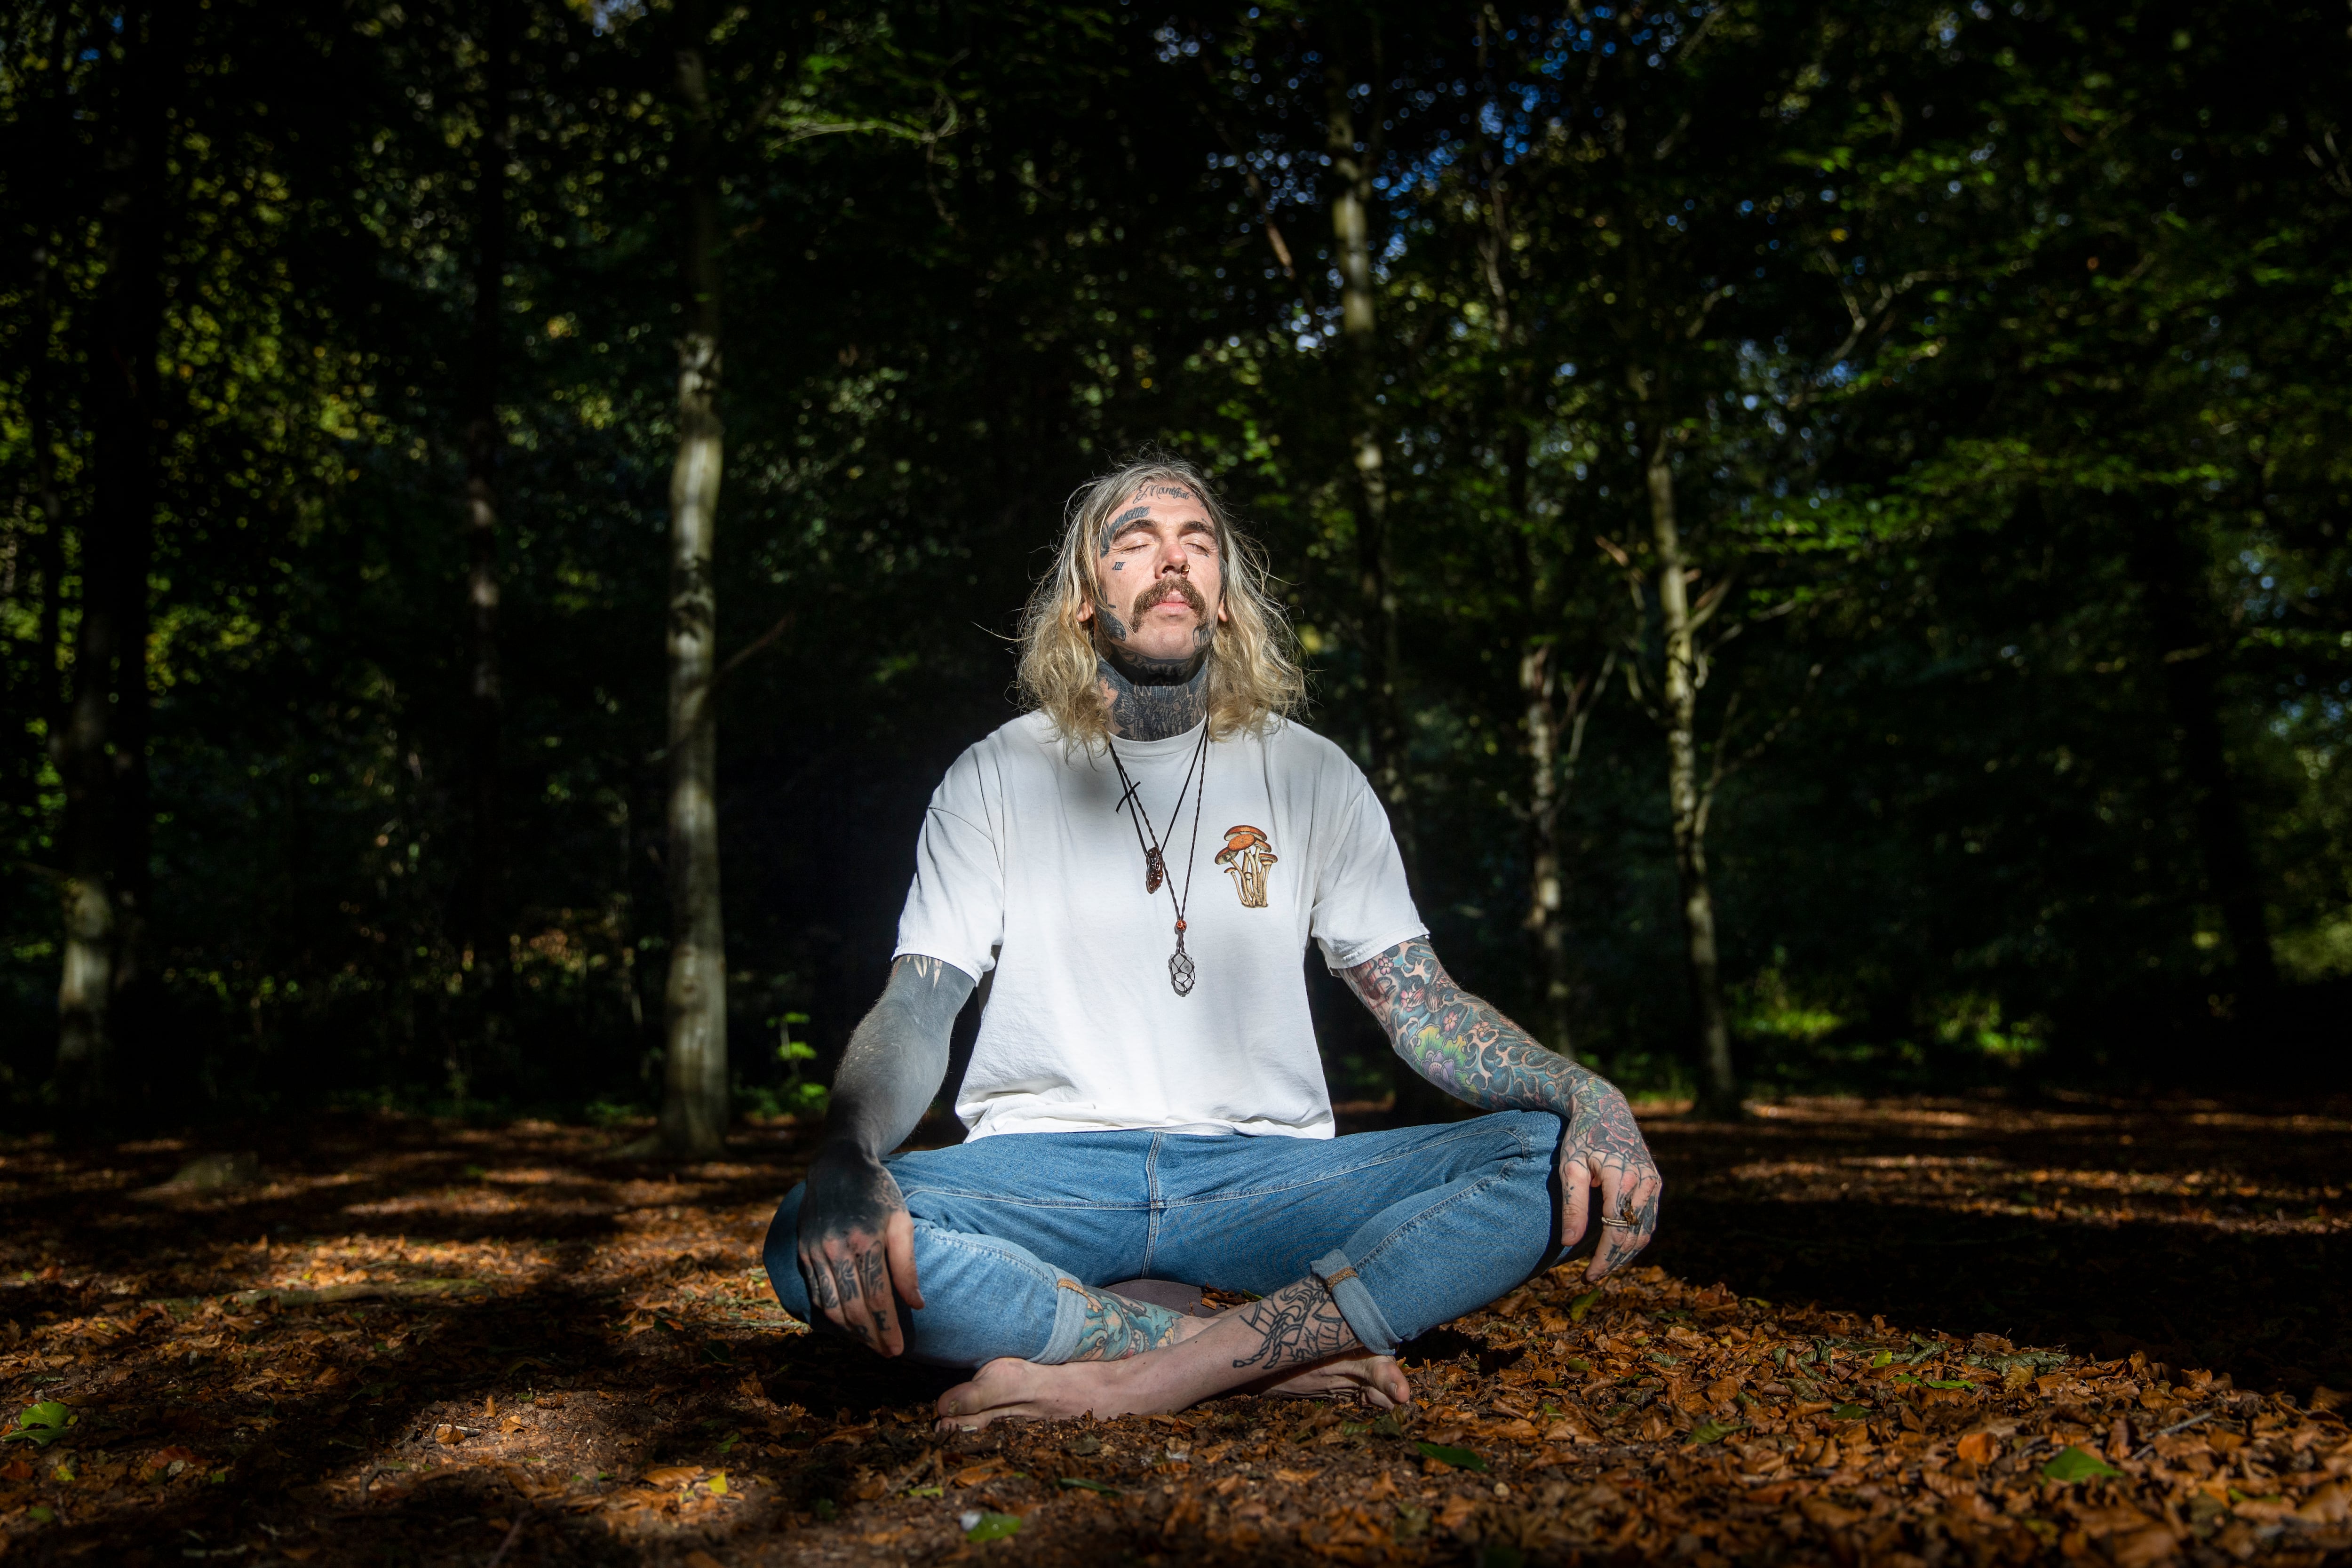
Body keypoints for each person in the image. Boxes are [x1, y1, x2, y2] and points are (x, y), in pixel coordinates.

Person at [761, 455, 1662, 1432]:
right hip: (1047, 1173)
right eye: (1136, 542)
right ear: (1083, 598)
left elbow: (1420, 1003)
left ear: (1225, 597)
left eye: (1197, 543)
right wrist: (849, 1149)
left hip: (1263, 1180)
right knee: (809, 1225)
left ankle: (1125, 1373)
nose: (1172, 561)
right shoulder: (997, 773)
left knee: (1542, 1155)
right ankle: (1249, 1353)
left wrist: (1585, 1090)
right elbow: (919, 1002)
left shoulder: (1312, 773)